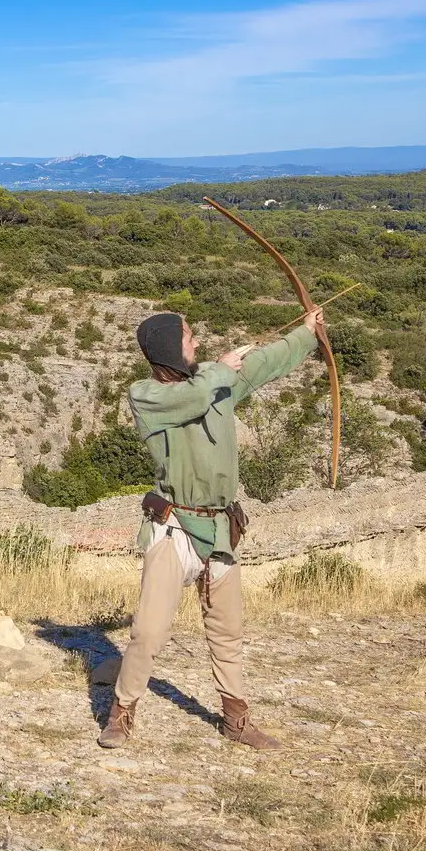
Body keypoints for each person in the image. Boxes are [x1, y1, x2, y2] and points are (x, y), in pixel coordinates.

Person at [98, 307, 325, 750]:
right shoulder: (146, 394)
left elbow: (263, 363)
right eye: (187, 338)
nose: (196, 344)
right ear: (167, 346)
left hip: (220, 527)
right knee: (149, 630)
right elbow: (196, 396)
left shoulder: (211, 380)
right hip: (175, 527)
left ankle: (236, 720)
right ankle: (122, 713)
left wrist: (307, 333)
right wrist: (220, 370)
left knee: (227, 629)